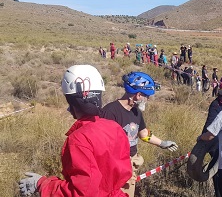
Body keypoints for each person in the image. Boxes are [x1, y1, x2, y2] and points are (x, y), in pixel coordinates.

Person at [19, 65, 132, 196]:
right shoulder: (114, 127)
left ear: (72, 101)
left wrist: (42, 184)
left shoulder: (79, 139)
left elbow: (82, 192)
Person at [101, 71, 178, 197]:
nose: (147, 100)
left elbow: (143, 133)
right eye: (147, 96)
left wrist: (162, 143)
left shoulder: (136, 111)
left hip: (130, 166)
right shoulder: (110, 112)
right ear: (138, 95)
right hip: (115, 167)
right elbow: (102, 144)